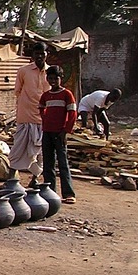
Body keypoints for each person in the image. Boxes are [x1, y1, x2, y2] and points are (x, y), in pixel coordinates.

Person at [9, 42, 50, 185]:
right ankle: (11, 179)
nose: (39, 56)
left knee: (39, 152)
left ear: (46, 55)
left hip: (43, 119)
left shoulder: (51, 72)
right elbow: (17, 91)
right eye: (36, 54)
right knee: (18, 149)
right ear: (32, 55)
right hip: (25, 117)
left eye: (42, 54)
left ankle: (35, 179)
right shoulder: (23, 71)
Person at [39, 65, 77, 204]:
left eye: (56, 78)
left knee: (63, 163)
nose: (53, 81)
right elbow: (41, 109)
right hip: (47, 132)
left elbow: (72, 114)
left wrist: (65, 131)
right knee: (48, 164)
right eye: (50, 78)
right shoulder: (46, 95)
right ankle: (50, 193)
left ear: (61, 79)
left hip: (59, 133)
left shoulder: (67, 94)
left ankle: (68, 193)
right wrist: (46, 121)